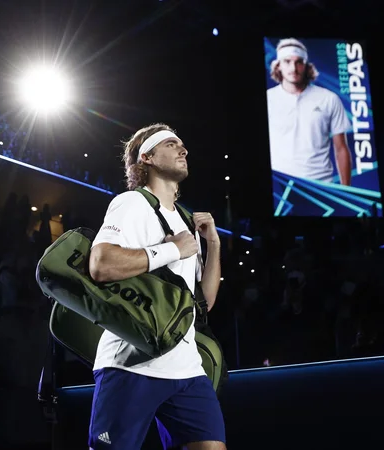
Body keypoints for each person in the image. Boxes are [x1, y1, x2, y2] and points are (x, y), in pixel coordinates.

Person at [87, 123, 226, 450]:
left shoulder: (184, 220)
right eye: (171, 143)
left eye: (182, 143)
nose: (183, 149)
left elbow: (202, 302)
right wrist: (173, 250)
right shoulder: (132, 203)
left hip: (187, 369)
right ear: (146, 157)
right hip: (132, 364)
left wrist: (214, 244)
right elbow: (101, 263)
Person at [267, 38, 353, 185]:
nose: (293, 68)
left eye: (299, 62)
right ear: (278, 66)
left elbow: (341, 148)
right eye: (287, 61)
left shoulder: (328, 99)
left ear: (306, 66)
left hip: (322, 186)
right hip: (280, 186)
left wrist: (346, 191)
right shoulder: (268, 99)